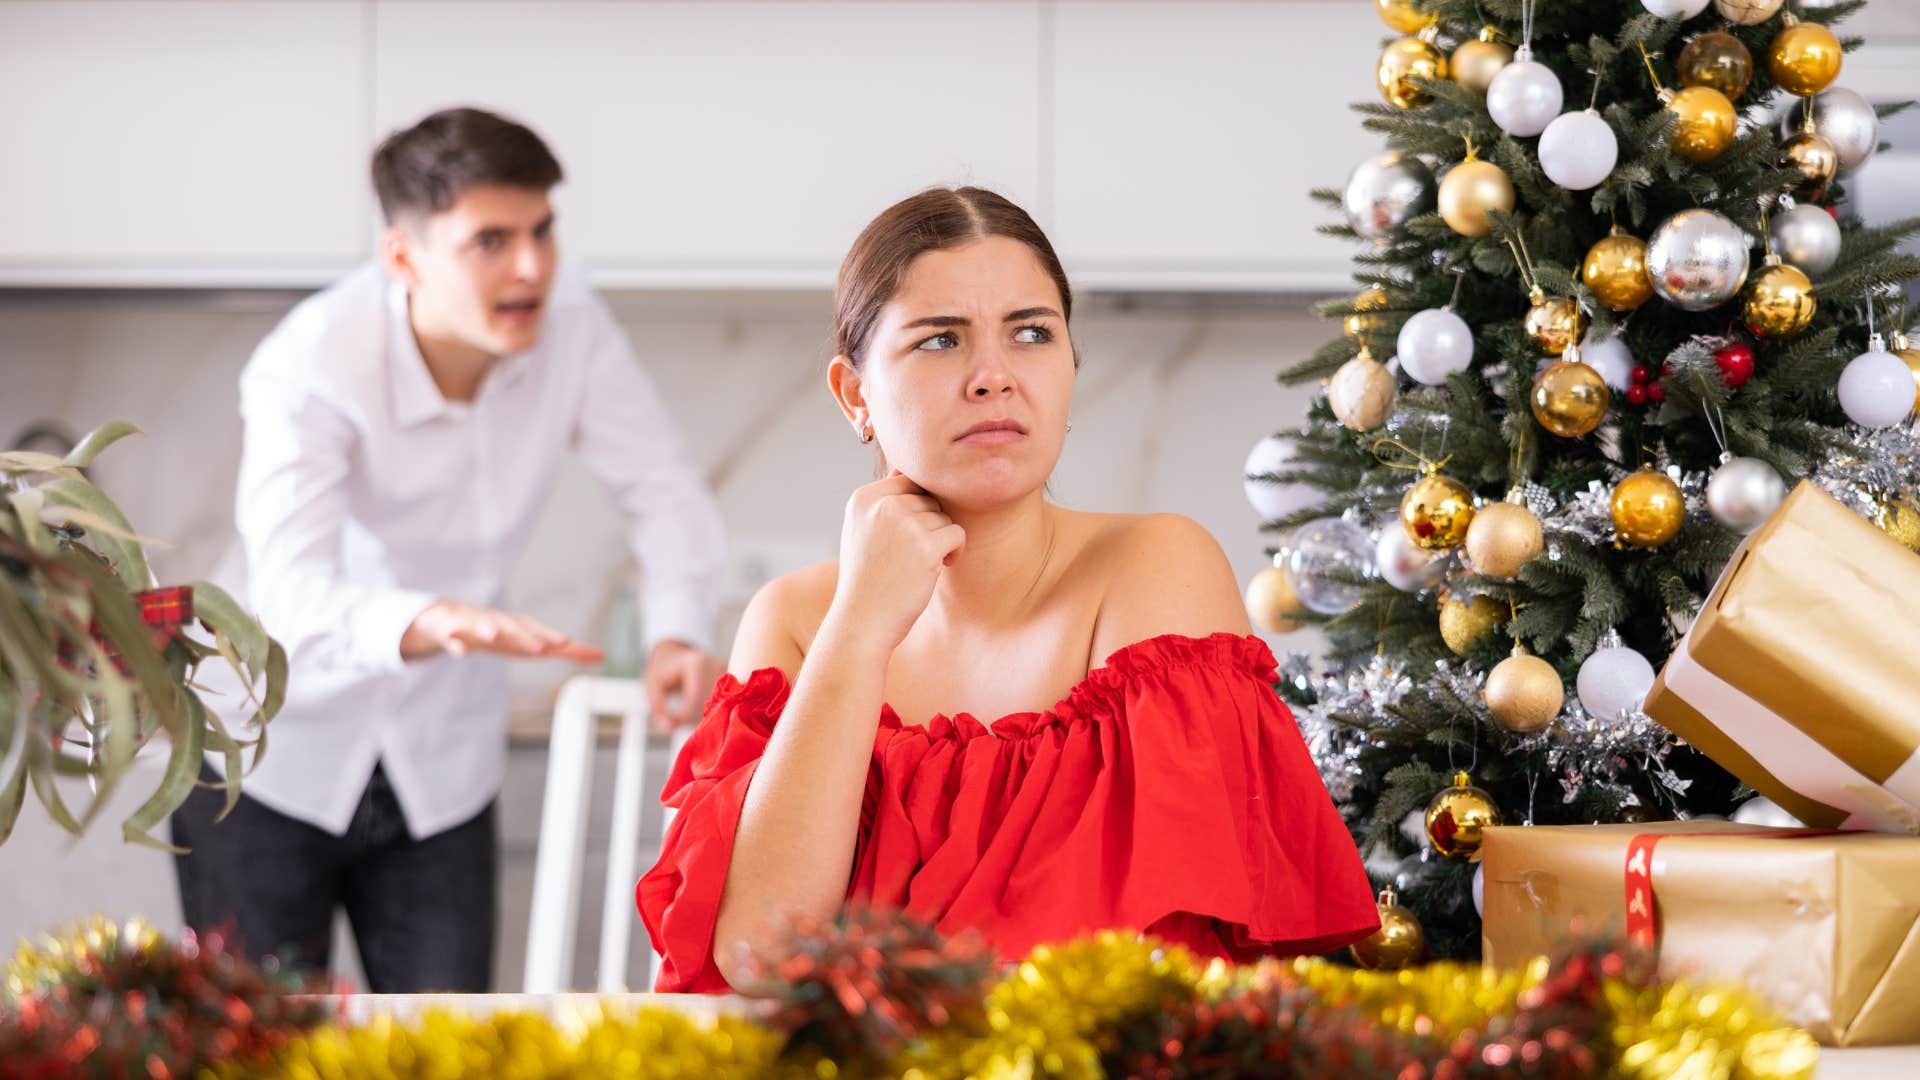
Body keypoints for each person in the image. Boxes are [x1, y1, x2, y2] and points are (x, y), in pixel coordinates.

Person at [637, 186, 1375, 993]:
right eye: (940, 340)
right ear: (856, 396)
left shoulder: (1156, 567)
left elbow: (1163, 969)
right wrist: (858, 628)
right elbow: (761, 961)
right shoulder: (796, 621)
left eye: (1030, 334)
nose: (993, 377)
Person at [172, 107, 727, 993]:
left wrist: (677, 629)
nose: (533, 268)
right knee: (254, 1048)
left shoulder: (574, 329)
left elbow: (665, 490)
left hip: (444, 766)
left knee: (451, 1044)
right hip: (268, 757)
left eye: (544, 231)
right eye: (491, 240)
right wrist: (430, 620)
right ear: (404, 257)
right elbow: (286, 593)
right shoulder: (311, 362)